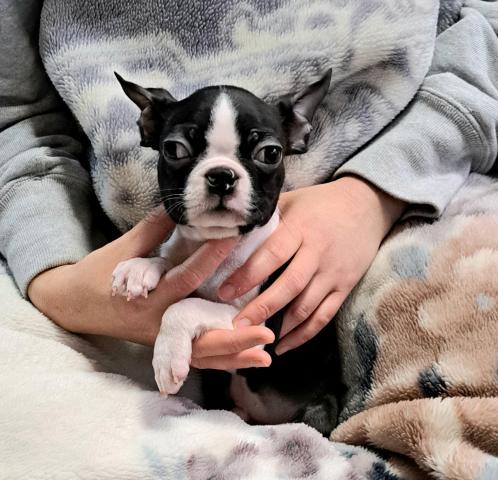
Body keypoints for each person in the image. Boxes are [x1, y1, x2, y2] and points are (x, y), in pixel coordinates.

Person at [1, 0, 498, 374]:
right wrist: (57, 281)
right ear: (149, 128)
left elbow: (484, 27)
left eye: (263, 155)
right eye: (179, 150)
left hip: (410, 199)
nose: (221, 177)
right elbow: (16, 118)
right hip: (82, 260)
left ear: (298, 132)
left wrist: (372, 194)